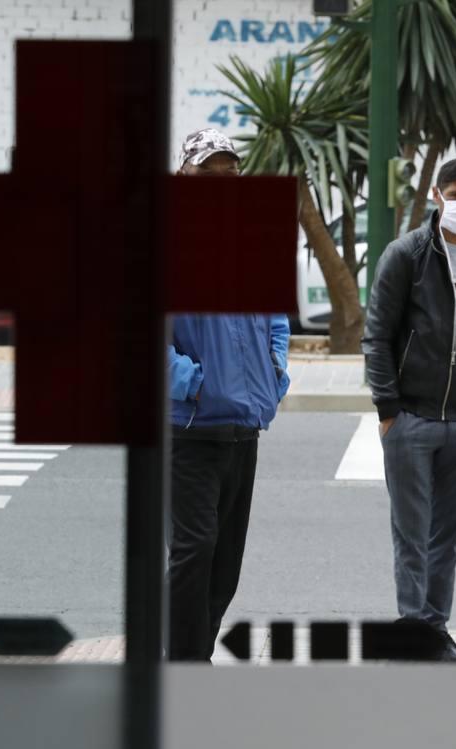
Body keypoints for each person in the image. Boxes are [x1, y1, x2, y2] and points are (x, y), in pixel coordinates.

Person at [362, 158, 456, 665]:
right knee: (413, 535)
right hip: (412, 419)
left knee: (445, 538)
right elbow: (376, 335)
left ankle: (435, 634)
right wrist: (388, 409)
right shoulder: (407, 255)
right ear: (439, 198)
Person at [167, 128, 291, 662]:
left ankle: (194, 657)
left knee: (225, 563)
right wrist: (191, 383)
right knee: (194, 552)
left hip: (244, 425)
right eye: (207, 173)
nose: (220, 183)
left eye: (229, 173)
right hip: (190, 427)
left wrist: (275, 372)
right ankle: (183, 668)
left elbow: (276, 318)